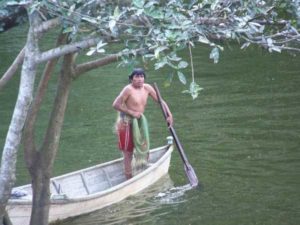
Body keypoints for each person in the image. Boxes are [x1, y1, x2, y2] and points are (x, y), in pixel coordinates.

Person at [112, 68, 173, 179]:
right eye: (137, 76)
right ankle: (128, 178)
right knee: (128, 153)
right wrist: (131, 112)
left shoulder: (147, 88)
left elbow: (160, 101)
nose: (140, 79)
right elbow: (115, 104)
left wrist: (169, 114)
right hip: (126, 122)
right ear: (131, 79)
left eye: (142, 76)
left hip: (139, 122)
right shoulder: (128, 89)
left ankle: (142, 171)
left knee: (144, 149)